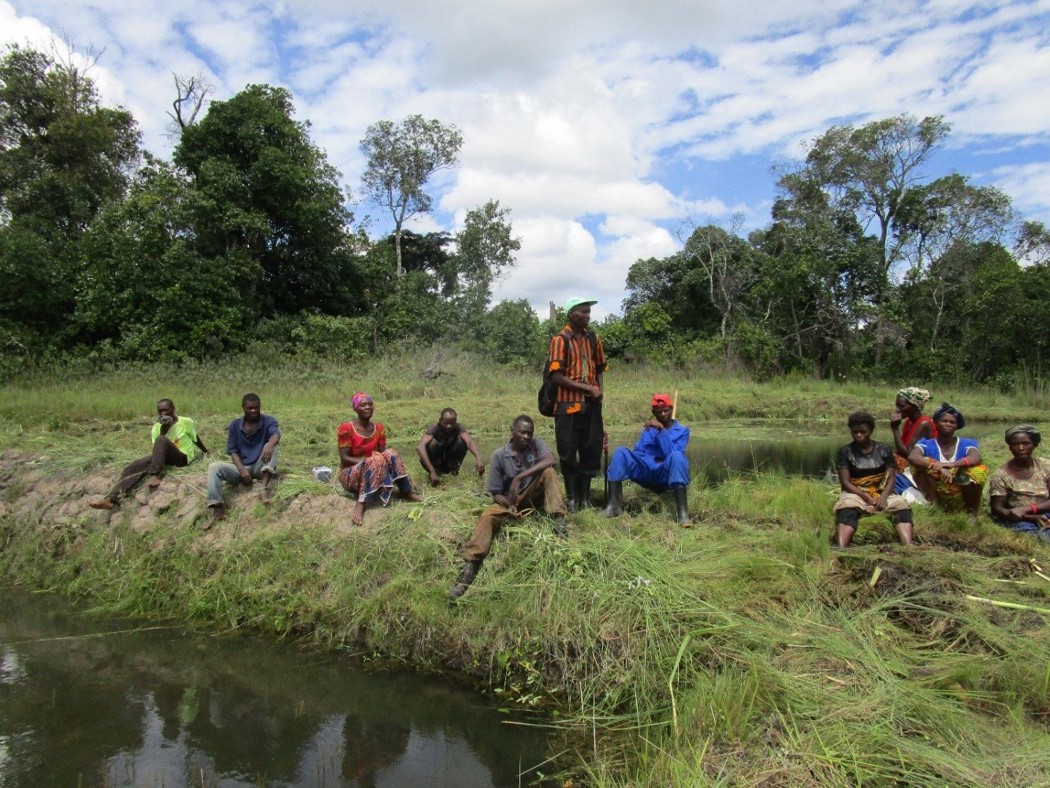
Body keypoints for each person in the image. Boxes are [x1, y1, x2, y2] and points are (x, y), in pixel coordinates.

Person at [448, 415, 567, 600]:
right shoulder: (499, 455)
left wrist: (520, 477)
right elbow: (495, 492)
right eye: (522, 432)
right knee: (487, 517)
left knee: (549, 472)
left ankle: (559, 523)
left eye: (529, 433)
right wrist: (510, 505)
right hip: (507, 501)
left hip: (531, 495)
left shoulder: (536, 446)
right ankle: (468, 571)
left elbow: (550, 460)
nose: (526, 436)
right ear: (513, 431)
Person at [545, 296, 607, 511]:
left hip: (591, 406)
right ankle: (572, 498)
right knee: (568, 452)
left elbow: (600, 367)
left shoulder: (593, 339)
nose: (587, 316)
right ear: (571, 314)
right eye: (583, 312)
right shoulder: (560, 340)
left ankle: (585, 498)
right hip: (566, 406)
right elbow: (556, 377)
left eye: (589, 312)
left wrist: (599, 392)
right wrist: (587, 389)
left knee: (591, 449)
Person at [91, 399, 209, 510]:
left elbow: (195, 438)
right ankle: (111, 499)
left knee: (161, 440)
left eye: (166, 410)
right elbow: (157, 450)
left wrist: (205, 451)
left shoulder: (186, 422)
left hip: (182, 457)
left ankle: (155, 475)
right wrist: (164, 430)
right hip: (165, 457)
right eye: (160, 411)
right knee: (134, 466)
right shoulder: (157, 427)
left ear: (173, 409)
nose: (163, 413)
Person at [602, 393, 692, 526]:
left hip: (665, 474)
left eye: (665, 410)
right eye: (658, 412)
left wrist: (662, 432)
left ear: (671, 409)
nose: (662, 414)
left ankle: (682, 514)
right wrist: (651, 461)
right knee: (621, 452)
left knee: (678, 457)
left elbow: (672, 453)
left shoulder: (683, 431)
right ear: (653, 413)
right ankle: (614, 506)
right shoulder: (649, 429)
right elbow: (639, 452)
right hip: (647, 471)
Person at [338, 392, 423, 526]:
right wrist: (367, 462)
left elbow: (385, 455)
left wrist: (393, 469)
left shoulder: (379, 428)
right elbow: (344, 458)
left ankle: (406, 492)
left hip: (375, 471)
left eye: (370, 404)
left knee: (391, 453)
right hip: (351, 474)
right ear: (355, 409)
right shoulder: (346, 429)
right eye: (363, 405)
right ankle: (361, 503)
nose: (367, 407)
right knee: (374, 459)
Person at [833, 411, 914, 547]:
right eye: (855, 432)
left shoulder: (883, 449)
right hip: (856, 492)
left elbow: (891, 478)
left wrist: (883, 497)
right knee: (846, 507)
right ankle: (842, 547)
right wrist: (866, 498)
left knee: (901, 506)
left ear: (870, 431)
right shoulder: (845, 451)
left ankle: (908, 546)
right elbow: (846, 483)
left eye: (863, 432)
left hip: (881, 491)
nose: (859, 435)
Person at [205, 393, 281, 528]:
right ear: (243, 408)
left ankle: (263, 489)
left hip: (260, 465)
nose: (253, 411)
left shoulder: (269, 420)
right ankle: (217, 508)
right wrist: (241, 469)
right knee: (214, 467)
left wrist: (269, 444)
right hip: (242, 467)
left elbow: (275, 434)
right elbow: (232, 450)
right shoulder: (235, 425)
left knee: (272, 446)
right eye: (249, 408)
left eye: (256, 407)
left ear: (260, 407)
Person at [906, 403, 988, 517]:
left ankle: (972, 512)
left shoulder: (966, 443)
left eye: (952, 422)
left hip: (960, 488)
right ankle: (934, 508)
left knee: (978, 470)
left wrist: (951, 465)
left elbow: (976, 457)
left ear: (957, 425)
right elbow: (913, 456)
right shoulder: (926, 443)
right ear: (936, 423)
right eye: (944, 421)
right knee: (918, 466)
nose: (948, 424)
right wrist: (938, 467)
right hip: (934, 488)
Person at [988, 425, 1050, 543]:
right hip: (1019, 517)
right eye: (1015, 444)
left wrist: (1028, 508)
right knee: (1032, 536)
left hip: (1045, 510)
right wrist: (1030, 517)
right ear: (1010, 447)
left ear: (1035, 444)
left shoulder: (1046, 466)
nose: (1021, 448)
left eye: (1026, 443)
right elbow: (997, 509)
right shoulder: (1001, 475)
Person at [416, 408, 485, 485]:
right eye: (445, 423)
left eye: (452, 423)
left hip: (449, 461)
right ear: (440, 421)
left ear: (456, 421)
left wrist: (479, 458)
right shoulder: (434, 428)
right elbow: (420, 446)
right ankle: (436, 471)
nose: (449, 426)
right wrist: (432, 471)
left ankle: (453, 470)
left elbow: (469, 442)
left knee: (461, 441)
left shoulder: (458, 428)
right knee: (432, 443)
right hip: (435, 462)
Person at [889, 386, 936, 495]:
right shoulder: (909, 422)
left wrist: (895, 429)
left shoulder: (924, 423)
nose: (897, 409)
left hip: (922, 463)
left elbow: (907, 453)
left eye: (901, 406)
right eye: (897, 405)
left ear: (914, 406)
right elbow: (902, 449)